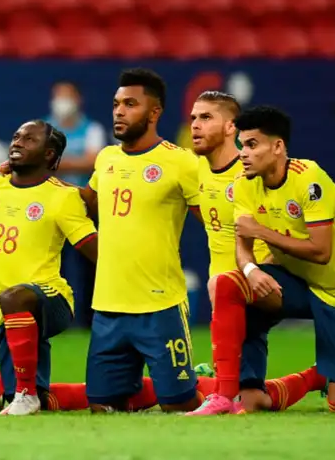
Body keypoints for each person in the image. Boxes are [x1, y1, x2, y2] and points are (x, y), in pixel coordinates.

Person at [193, 106, 335, 415]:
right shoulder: (245, 183)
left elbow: (321, 251)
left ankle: (321, 376)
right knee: (226, 284)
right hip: (297, 284)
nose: (243, 153)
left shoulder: (310, 179)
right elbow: (243, 246)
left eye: (252, 145)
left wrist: (262, 231)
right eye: (241, 144)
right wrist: (250, 270)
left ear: (277, 147)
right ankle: (228, 393)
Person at [183, 92, 319, 416]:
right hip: (227, 300)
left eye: (205, 118)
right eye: (192, 119)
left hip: (261, 285)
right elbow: (209, 219)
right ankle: (319, 375)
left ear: (231, 127)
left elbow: (289, 228)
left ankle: (217, 388)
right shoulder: (192, 170)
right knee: (251, 402)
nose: (195, 126)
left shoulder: (254, 172)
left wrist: (261, 268)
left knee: (215, 391)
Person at [78, 68, 203, 414]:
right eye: (116, 104)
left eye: (130, 104)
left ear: (154, 113)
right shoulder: (106, 159)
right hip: (108, 307)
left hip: (160, 306)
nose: (118, 111)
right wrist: (29, 182)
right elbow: (80, 204)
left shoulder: (181, 162)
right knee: (102, 407)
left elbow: (212, 220)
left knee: (178, 406)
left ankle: (207, 383)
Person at [0, 120, 98, 415]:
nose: (17, 142)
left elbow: (96, 252)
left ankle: (25, 392)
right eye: (16, 136)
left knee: (14, 297)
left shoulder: (62, 197)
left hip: (51, 298)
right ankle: (20, 389)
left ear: (49, 154)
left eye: (29, 139)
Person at [46, 80, 107, 328]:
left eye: (67, 96)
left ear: (78, 100)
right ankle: (54, 320)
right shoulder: (44, 127)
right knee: (51, 265)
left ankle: (90, 321)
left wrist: (55, 163)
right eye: (58, 96)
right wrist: (76, 161)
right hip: (49, 208)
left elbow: (93, 162)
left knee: (90, 267)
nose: (62, 102)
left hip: (85, 206)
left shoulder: (91, 129)